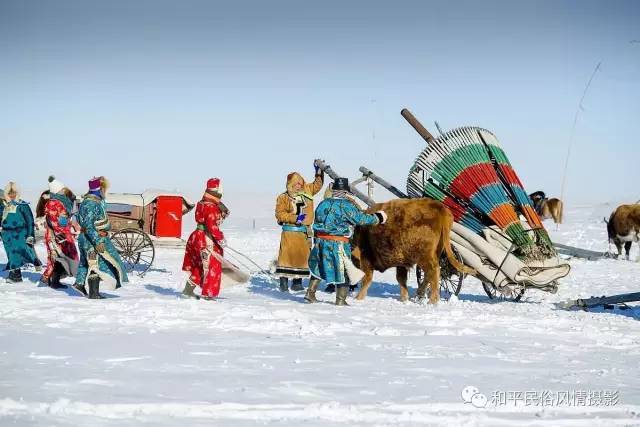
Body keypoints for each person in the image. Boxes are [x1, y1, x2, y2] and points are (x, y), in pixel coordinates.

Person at [306, 177, 387, 306]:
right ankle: (340, 299)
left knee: (319, 266)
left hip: (320, 241)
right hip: (338, 243)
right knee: (343, 269)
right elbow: (360, 219)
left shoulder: (323, 204)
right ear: (345, 192)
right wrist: (378, 218)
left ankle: (310, 293)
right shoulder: (346, 206)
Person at [73, 176, 128, 299]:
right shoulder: (92, 203)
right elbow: (89, 225)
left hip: (86, 238)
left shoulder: (87, 201)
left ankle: (79, 283)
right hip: (91, 240)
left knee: (86, 262)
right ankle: (94, 293)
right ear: (101, 188)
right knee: (95, 263)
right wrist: (98, 241)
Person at [274, 162, 324, 292]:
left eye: (300, 184)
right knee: (286, 259)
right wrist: (295, 218)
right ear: (289, 184)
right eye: (295, 184)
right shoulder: (283, 197)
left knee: (301, 259)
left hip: (303, 234)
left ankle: (297, 283)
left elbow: (317, 185)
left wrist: (319, 172)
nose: (298, 186)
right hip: (289, 234)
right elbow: (280, 215)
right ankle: (283, 284)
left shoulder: (307, 191)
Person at [182, 178, 227, 300]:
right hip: (206, 239)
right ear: (217, 190)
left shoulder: (202, 203)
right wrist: (220, 239)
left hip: (196, 236)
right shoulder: (211, 207)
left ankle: (188, 290)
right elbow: (212, 226)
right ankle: (208, 294)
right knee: (213, 265)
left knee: (200, 265)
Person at [41, 176, 79, 289]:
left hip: (61, 234)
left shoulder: (59, 202)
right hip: (57, 235)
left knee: (59, 257)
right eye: (62, 189)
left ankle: (53, 280)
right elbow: (56, 222)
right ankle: (50, 279)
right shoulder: (54, 203)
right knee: (58, 257)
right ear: (58, 190)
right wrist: (62, 235)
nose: (64, 191)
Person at [0, 182, 39, 283]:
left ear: (17, 193)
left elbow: (30, 220)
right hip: (6, 235)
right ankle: (16, 275)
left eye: (14, 193)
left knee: (16, 254)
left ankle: (15, 276)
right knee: (10, 254)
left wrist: (30, 235)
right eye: (10, 193)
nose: (12, 195)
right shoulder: (4, 206)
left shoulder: (22, 205)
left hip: (20, 234)